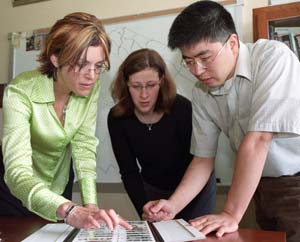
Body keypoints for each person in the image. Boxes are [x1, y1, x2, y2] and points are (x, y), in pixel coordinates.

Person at [143, 1, 300, 242]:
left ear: (233, 43)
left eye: (204, 57)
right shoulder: (201, 92)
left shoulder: (272, 58)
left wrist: (229, 213)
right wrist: (172, 205)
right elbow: (203, 159)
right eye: (188, 61)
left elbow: (258, 139)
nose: (197, 69)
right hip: (258, 187)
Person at [1, 12, 132, 230]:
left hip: (60, 189)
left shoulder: (89, 85)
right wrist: (69, 209)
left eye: (98, 66)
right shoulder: (19, 92)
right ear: (55, 58)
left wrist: (90, 207)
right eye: (81, 64)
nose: (91, 75)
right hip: (15, 193)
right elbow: (18, 174)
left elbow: (84, 144)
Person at [107, 48, 216, 221]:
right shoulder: (117, 118)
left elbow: (200, 162)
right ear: (126, 83)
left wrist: (174, 203)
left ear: (161, 81)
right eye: (136, 86)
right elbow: (129, 172)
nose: (144, 95)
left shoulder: (182, 109)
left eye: (151, 85)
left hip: (192, 189)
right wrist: (144, 207)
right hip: (152, 190)